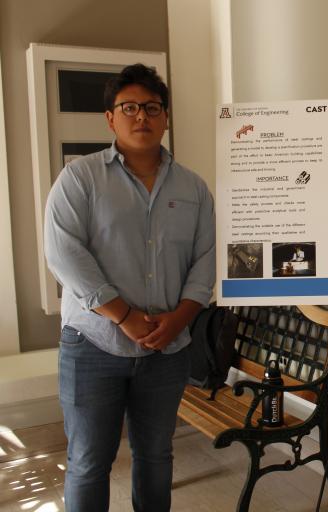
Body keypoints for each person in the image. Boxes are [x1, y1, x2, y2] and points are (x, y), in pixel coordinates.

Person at [44, 64, 215, 511]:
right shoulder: (80, 178)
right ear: (111, 118)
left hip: (167, 350)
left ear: (165, 117)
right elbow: (64, 253)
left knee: (157, 455)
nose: (142, 117)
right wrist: (123, 315)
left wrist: (179, 318)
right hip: (92, 344)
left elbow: (205, 261)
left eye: (152, 108)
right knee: (88, 462)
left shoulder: (194, 189)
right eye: (130, 108)